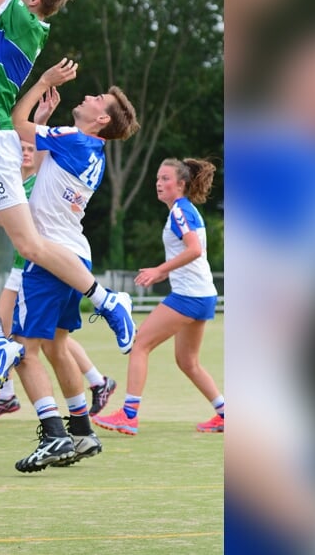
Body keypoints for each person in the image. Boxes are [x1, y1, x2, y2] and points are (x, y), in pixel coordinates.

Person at [0, 0, 136, 399]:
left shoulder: (23, 22)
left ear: (32, 1)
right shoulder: (25, 20)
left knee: (29, 245)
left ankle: (106, 300)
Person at [5, 58, 140, 472]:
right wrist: (44, 118)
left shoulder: (75, 138)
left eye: (96, 98)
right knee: (56, 346)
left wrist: (43, 81)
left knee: (23, 350)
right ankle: (81, 431)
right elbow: (39, 165)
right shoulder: (88, 148)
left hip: (49, 257)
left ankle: (53, 435)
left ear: (101, 118)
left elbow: (16, 122)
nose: (87, 95)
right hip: (73, 253)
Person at [0, 109, 117, 421]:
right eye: (24, 148)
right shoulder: (27, 180)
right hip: (38, 259)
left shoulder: (39, 178)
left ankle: (49, 411)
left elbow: (16, 223)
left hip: (41, 260)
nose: (27, 152)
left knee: (19, 340)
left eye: (31, 148)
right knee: (51, 340)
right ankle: (80, 407)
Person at [96, 157, 225, 436]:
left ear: (181, 184)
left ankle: (128, 415)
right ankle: (225, 413)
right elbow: (190, 253)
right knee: (187, 362)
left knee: (140, 343)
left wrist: (159, 270)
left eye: (165, 178)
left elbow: (193, 250)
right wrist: (168, 273)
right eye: (157, 178)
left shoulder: (180, 210)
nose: (159, 183)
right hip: (202, 295)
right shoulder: (184, 210)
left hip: (189, 296)